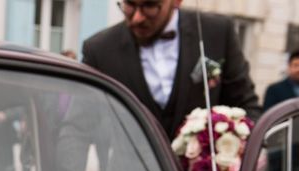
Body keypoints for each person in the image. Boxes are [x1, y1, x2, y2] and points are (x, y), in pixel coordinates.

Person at [82, 0, 261, 141]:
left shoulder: (218, 32)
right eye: (129, 4)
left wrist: (247, 155)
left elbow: (247, 106)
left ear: (177, 1)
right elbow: (78, 127)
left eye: (150, 5)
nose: (137, 18)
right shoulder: (98, 49)